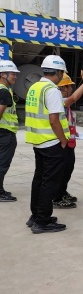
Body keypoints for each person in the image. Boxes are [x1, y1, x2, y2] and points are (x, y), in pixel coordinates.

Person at [25, 55, 70, 234]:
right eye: (62, 73)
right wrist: (63, 140)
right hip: (52, 143)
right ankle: (42, 221)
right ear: (58, 72)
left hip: (38, 141)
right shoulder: (52, 90)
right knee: (49, 182)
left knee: (39, 179)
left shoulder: (34, 87)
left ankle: (35, 216)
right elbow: (54, 120)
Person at [53, 70, 83, 209]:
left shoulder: (65, 105)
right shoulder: (59, 101)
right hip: (62, 143)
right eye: (70, 86)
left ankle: (62, 192)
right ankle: (57, 197)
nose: (72, 88)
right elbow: (73, 98)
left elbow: (66, 122)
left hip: (69, 142)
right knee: (62, 170)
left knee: (68, 168)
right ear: (63, 88)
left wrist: (74, 131)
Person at [0, 60, 19, 202]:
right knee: (2, 164)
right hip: (5, 133)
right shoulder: (4, 92)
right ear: (3, 74)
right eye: (13, 74)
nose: (15, 77)